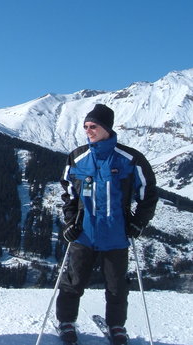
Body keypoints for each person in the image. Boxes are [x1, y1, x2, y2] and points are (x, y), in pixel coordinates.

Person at [55, 104, 158, 345]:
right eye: (86, 127)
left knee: (117, 287)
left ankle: (116, 326)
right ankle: (66, 321)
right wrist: (71, 221)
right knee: (73, 282)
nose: (88, 131)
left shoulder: (130, 159)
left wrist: (138, 223)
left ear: (107, 128)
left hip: (116, 235)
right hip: (85, 234)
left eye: (94, 126)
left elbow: (148, 194)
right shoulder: (77, 157)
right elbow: (69, 194)